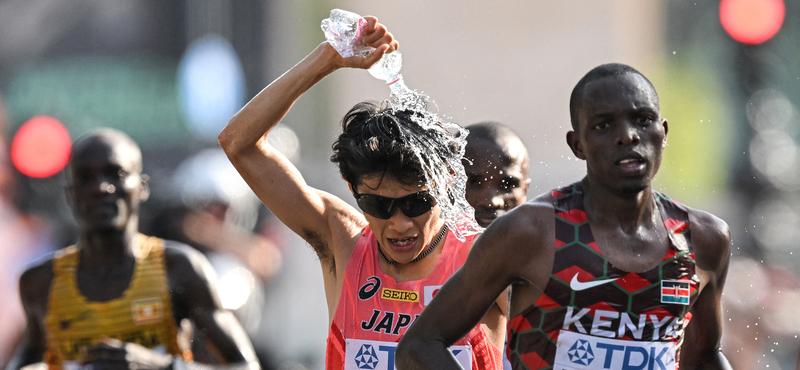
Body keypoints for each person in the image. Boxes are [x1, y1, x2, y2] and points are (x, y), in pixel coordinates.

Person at [396, 63, 733, 370]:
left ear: (663, 133)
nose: (628, 135)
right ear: (578, 144)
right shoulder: (529, 231)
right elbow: (419, 346)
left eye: (643, 120)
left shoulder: (704, 238)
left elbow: (704, 357)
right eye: (603, 125)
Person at [218, 16, 504, 370]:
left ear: (445, 183)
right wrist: (329, 59)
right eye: (378, 205)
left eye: (415, 203)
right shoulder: (343, 240)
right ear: (351, 186)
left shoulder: (487, 259)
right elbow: (238, 144)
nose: (399, 225)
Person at [7, 129, 260, 370]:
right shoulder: (42, 283)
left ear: (142, 187)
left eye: (115, 174)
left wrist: (160, 366)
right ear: (72, 194)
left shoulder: (178, 268)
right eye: (86, 178)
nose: (101, 188)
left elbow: (247, 366)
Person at [463, 121, 530, 228]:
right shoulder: (427, 243)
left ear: (525, 190)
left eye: (507, 185)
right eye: (473, 182)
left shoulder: (547, 243)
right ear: (446, 187)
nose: (491, 202)